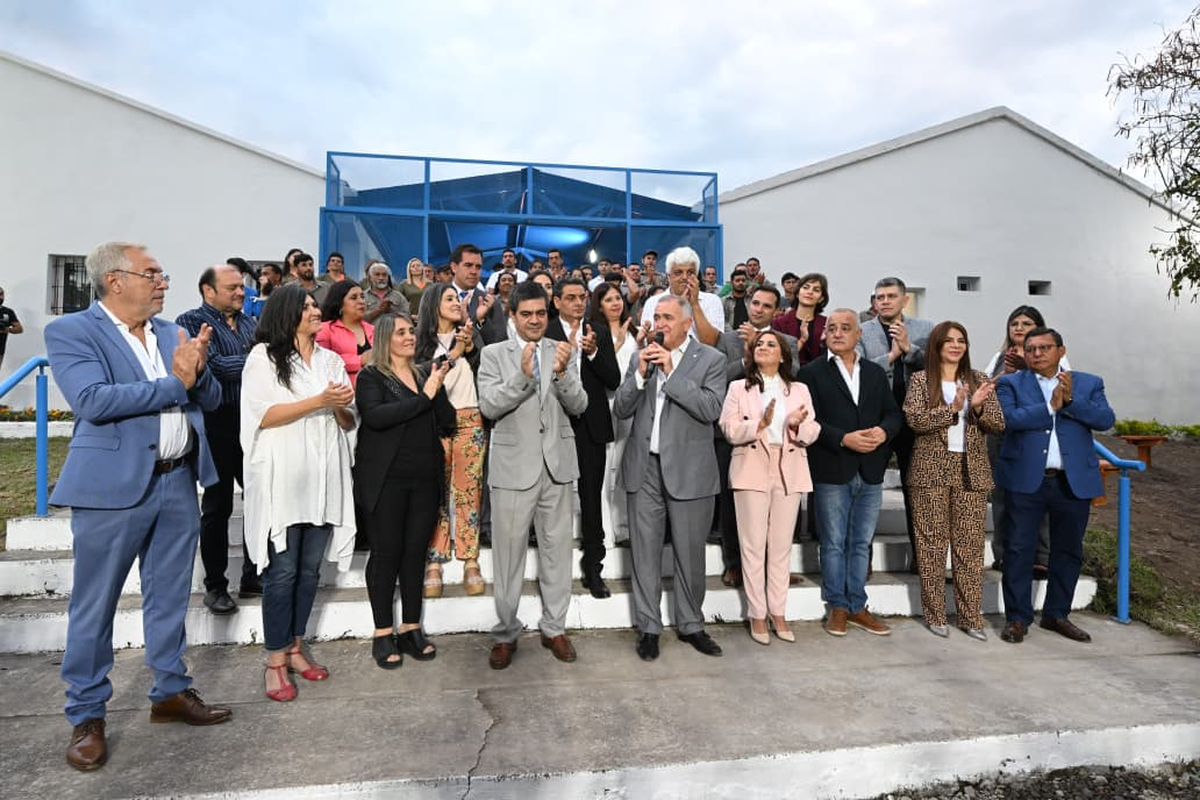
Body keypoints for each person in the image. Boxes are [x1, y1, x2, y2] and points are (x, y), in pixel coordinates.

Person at [46, 242, 230, 771]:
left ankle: (170, 690)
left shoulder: (172, 333)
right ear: (115, 280)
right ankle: (86, 714)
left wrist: (199, 369)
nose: (163, 282)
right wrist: (177, 382)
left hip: (177, 481)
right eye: (152, 273)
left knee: (169, 597)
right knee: (95, 604)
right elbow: (93, 401)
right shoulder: (72, 331)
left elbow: (211, 398)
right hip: (111, 489)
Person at [241, 285, 358, 701]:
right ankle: (274, 660)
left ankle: (294, 646)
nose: (315, 310)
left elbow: (348, 421)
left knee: (310, 572)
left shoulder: (330, 359)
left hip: (323, 478)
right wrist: (319, 400)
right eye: (306, 306)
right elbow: (264, 415)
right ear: (287, 313)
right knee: (283, 571)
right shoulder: (264, 358)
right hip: (284, 479)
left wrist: (339, 405)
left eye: (314, 305)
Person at [477, 281, 588, 669]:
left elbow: (580, 404)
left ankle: (554, 628)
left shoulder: (563, 350)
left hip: (557, 466)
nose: (535, 320)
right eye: (526, 314)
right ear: (512, 315)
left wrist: (562, 374)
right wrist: (523, 377)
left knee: (558, 552)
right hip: (512, 468)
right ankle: (506, 632)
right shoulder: (493, 354)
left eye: (541, 313)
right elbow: (489, 406)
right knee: (508, 556)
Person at [613, 295, 727, 661]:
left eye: (667, 317)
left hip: (690, 471)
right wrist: (640, 374)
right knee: (644, 553)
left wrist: (672, 373)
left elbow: (710, 409)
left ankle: (691, 624)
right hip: (643, 467)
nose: (660, 324)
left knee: (690, 553)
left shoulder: (711, 360)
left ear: (687, 324)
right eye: (657, 316)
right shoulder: (641, 356)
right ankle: (649, 627)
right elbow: (622, 408)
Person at [995, 328, 1115, 644]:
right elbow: (1009, 420)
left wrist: (1070, 401)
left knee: (1068, 551)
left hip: (1071, 482)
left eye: (1044, 347)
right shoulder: (1010, 383)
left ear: (1061, 350)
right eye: (1030, 348)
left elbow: (1105, 420)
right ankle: (1017, 618)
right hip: (1026, 480)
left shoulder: (1088, 383)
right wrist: (1050, 407)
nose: (1037, 353)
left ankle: (1057, 614)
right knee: (1018, 550)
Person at [355, 314, 455, 668]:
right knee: (386, 554)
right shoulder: (371, 376)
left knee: (415, 553)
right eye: (401, 332)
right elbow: (376, 417)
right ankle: (383, 632)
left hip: (425, 478)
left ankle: (411, 627)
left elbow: (448, 420)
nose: (410, 336)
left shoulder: (425, 374)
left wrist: (436, 389)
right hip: (386, 479)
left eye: (411, 331)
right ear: (386, 339)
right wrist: (425, 397)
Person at [799, 309, 904, 637]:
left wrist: (884, 432)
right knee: (833, 543)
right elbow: (809, 420)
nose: (838, 333)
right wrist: (843, 438)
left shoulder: (874, 372)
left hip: (870, 469)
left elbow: (893, 413)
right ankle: (838, 606)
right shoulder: (811, 373)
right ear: (824, 334)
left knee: (861, 543)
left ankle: (858, 605)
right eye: (832, 328)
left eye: (846, 328)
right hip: (832, 467)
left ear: (859, 334)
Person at [902, 322, 1004, 640]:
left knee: (969, 548)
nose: (956, 345)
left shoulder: (979, 379)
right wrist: (953, 410)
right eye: (949, 340)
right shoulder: (921, 379)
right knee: (931, 546)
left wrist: (978, 407)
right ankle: (935, 614)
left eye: (961, 340)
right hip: (930, 471)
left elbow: (998, 423)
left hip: (970, 471)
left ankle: (970, 617)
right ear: (937, 345)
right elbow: (915, 420)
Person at [719, 331, 820, 645]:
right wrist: (758, 425)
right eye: (758, 344)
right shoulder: (738, 387)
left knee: (780, 547)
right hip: (751, 465)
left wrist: (796, 425)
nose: (763, 347)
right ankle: (757, 614)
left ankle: (778, 611)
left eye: (770, 344)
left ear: (783, 355)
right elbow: (728, 428)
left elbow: (813, 429)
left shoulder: (799, 389)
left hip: (788, 466)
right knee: (752, 546)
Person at [175, 264, 261, 616]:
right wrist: (256, 360)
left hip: (251, 422)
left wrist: (248, 362)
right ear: (208, 291)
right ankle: (216, 586)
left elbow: (245, 365)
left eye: (242, 287)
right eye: (232, 288)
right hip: (216, 422)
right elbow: (211, 368)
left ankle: (254, 575)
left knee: (258, 500)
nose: (241, 292)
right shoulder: (191, 322)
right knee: (218, 506)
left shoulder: (250, 324)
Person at [713, 285, 803, 587]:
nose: (759, 309)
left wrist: (763, 348)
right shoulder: (728, 339)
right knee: (733, 503)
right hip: (739, 434)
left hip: (778, 436)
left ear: (776, 311)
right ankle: (734, 564)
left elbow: (794, 375)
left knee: (777, 506)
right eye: (755, 303)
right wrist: (747, 358)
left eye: (766, 305)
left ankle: (776, 568)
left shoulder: (788, 341)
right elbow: (718, 377)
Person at [545, 277, 622, 597]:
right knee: (553, 499)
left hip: (590, 425)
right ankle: (554, 570)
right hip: (554, 424)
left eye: (582, 297)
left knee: (591, 498)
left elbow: (614, 380)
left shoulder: (598, 332)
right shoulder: (544, 330)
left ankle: (594, 568)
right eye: (571, 297)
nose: (578, 303)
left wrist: (593, 354)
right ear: (557, 301)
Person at [855, 277, 934, 570]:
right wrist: (892, 355)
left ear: (905, 300)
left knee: (918, 491)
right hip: (877, 419)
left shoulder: (926, 329)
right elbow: (857, 368)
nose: (885, 301)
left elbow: (937, 366)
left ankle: (923, 559)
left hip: (916, 419)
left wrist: (909, 349)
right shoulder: (862, 330)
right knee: (868, 489)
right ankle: (862, 560)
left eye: (890, 296)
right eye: (880, 297)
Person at [982, 306, 1066, 573]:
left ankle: (1041, 555)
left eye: (1026, 323)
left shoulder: (1055, 358)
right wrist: (1007, 373)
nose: (1019, 328)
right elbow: (985, 390)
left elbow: (1060, 394)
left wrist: (1027, 367)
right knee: (1002, 495)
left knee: (1038, 492)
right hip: (1001, 434)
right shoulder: (999, 357)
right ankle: (1003, 553)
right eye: (1014, 323)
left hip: (1035, 435)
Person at [415, 283, 486, 597]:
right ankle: (434, 560)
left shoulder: (470, 337)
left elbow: (485, 370)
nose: (457, 302)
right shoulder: (419, 343)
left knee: (470, 491)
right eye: (449, 298)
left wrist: (470, 347)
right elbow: (423, 376)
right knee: (436, 492)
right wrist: (456, 351)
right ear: (433, 305)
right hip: (435, 422)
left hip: (471, 417)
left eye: (457, 298)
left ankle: (470, 559)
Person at [593, 282, 641, 548]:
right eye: (609, 299)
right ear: (599, 305)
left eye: (618, 298)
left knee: (623, 468)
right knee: (604, 469)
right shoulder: (594, 332)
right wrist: (618, 342)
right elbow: (599, 367)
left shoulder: (633, 330)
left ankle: (623, 528)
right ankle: (604, 531)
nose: (616, 303)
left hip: (630, 404)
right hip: (604, 403)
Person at [639, 246, 725, 346]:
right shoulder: (653, 302)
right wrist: (678, 307)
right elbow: (649, 340)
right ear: (668, 276)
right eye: (678, 273)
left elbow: (712, 342)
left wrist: (695, 304)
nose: (684, 277)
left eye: (690, 272)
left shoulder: (712, 301)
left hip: (700, 356)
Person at [316, 280, 374, 387]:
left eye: (362, 296)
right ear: (340, 305)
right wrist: (360, 360)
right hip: (342, 390)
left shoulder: (373, 329)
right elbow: (322, 361)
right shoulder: (325, 329)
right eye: (354, 298)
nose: (361, 301)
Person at [450, 243, 506, 345]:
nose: (474, 271)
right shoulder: (437, 297)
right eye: (468, 265)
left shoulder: (491, 302)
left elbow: (499, 343)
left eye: (478, 267)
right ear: (454, 267)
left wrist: (481, 321)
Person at [772, 272, 829, 367]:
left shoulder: (827, 324)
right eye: (806, 287)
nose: (810, 292)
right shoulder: (779, 323)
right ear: (798, 293)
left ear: (821, 298)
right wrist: (801, 341)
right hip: (788, 373)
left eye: (816, 290)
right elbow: (777, 355)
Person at [0, 284, 24, 370]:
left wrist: (7, 329)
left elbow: (19, 329)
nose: (0, 297)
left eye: (2, 294)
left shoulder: (8, 312)